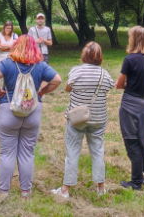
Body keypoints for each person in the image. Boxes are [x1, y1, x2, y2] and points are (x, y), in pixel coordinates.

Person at [0, 35, 62, 199]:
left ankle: (3, 192)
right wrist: (42, 92)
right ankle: (25, 192)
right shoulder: (41, 66)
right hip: (33, 112)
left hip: (8, 111)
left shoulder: (7, 63)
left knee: (7, 153)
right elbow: (57, 80)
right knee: (27, 153)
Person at [51, 42, 114, 199]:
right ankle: (101, 189)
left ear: (84, 55)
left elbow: (67, 88)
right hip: (98, 118)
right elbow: (109, 87)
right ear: (100, 56)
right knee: (98, 151)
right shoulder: (104, 74)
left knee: (72, 152)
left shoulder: (76, 71)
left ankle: (65, 189)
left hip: (77, 119)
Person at [116, 26, 144, 191]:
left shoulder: (130, 59)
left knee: (132, 142)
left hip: (130, 104)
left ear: (133, 39)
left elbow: (120, 84)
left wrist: (125, 84)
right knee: (142, 142)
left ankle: (136, 182)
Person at [0, 21, 19, 102]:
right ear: (4, 28)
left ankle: (8, 94)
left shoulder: (15, 35)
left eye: (10, 28)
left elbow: (15, 47)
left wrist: (4, 47)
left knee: (9, 76)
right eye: (7, 28)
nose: (9, 30)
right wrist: (9, 46)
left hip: (10, 57)